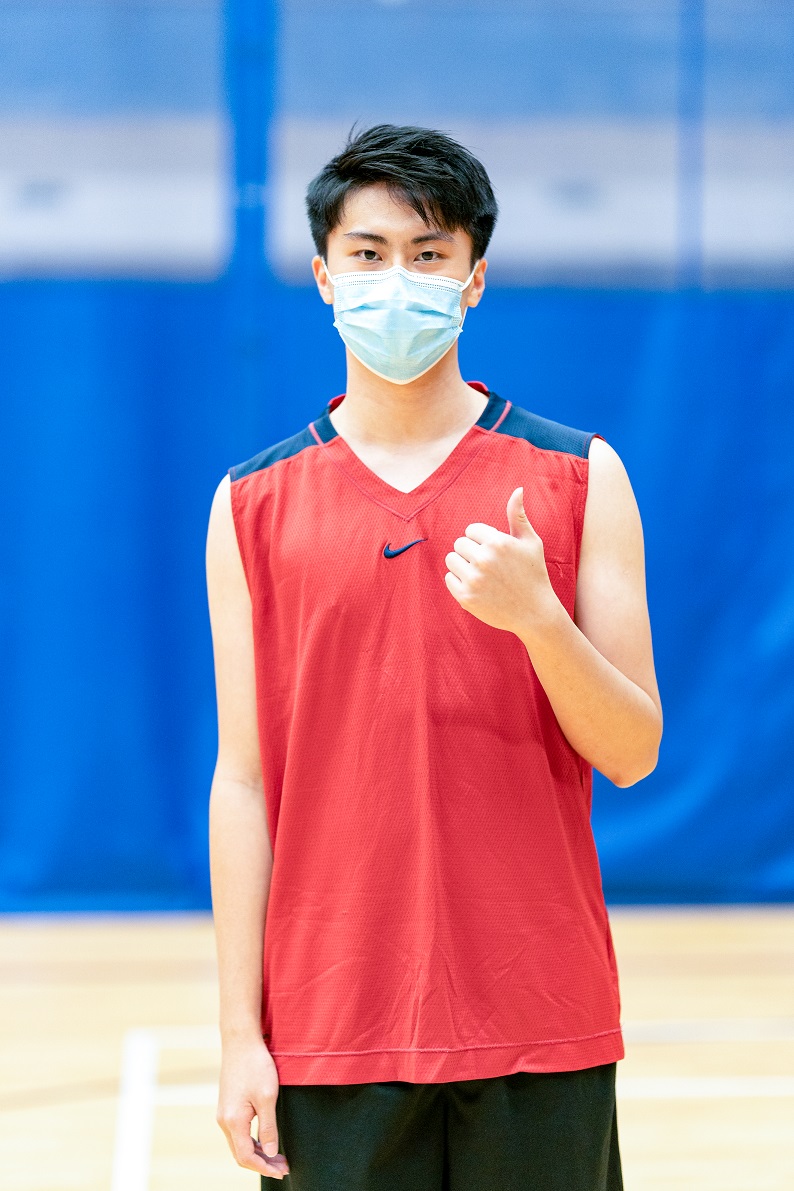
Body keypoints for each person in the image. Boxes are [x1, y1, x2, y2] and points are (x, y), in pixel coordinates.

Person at [205, 124, 662, 1191]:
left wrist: (538, 619)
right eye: (367, 254)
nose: (396, 280)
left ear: (473, 279)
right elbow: (244, 783)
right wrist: (239, 1036)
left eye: (428, 253)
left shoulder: (581, 476)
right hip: (330, 1027)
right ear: (324, 276)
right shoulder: (249, 504)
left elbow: (632, 749)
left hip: (538, 1018)